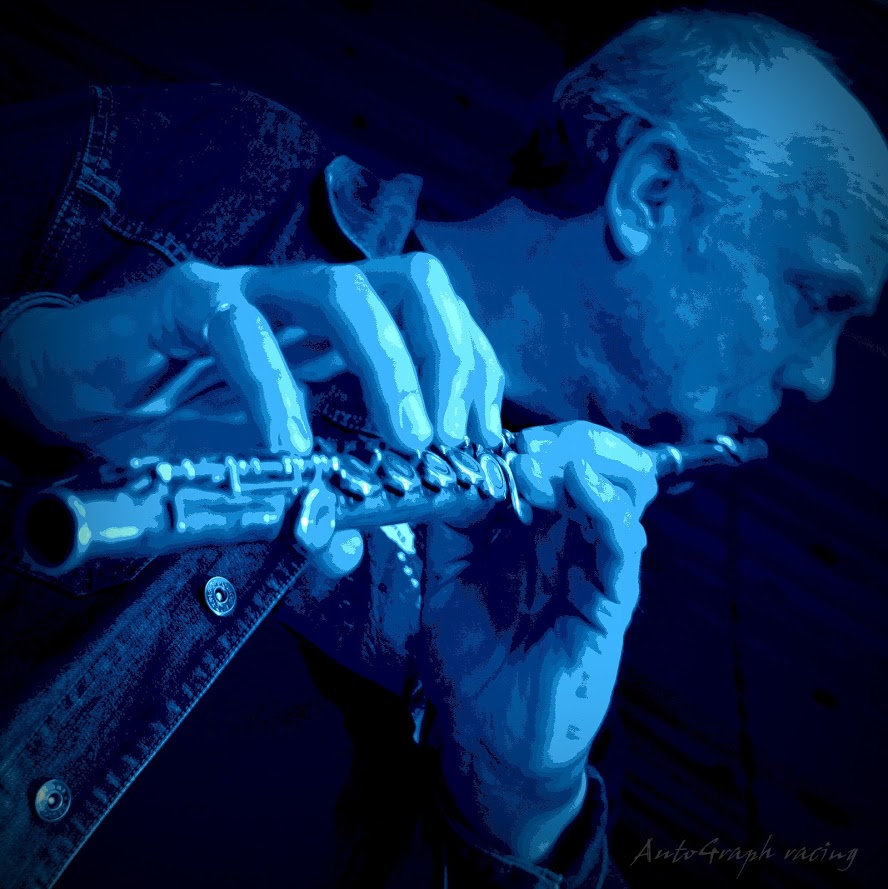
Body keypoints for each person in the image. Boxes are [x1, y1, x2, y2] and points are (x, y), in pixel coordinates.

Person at [0, 9, 884, 888]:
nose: (819, 378)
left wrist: (524, 809)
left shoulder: (564, 601)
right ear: (652, 193)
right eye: (817, 297)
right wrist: (16, 385)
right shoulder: (215, 168)